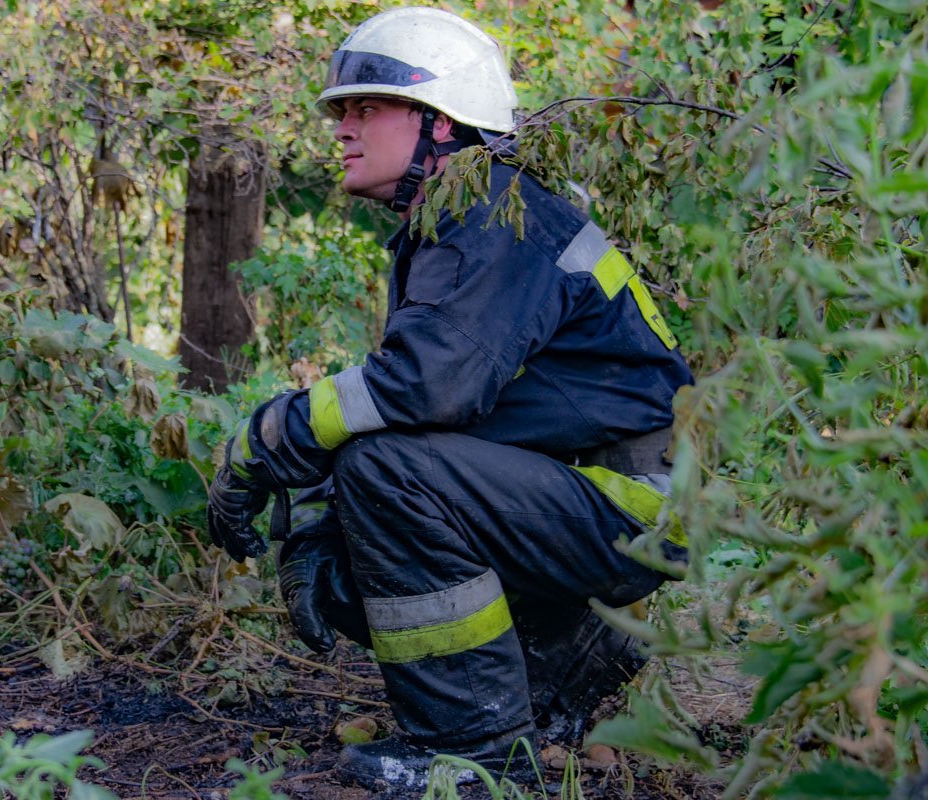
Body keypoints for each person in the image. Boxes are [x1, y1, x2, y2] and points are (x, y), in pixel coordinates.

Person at [205, 6, 693, 791]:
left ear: (438, 121)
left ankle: (477, 752)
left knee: (385, 474)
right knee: (365, 503)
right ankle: (563, 657)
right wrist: (325, 516)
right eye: (342, 111)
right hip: (601, 496)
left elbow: (425, 389)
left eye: (366, 106)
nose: (343, 127)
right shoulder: (466, 215)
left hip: (630, 505)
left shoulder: (491, 212)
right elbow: (442, 415)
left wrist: (267, 440)